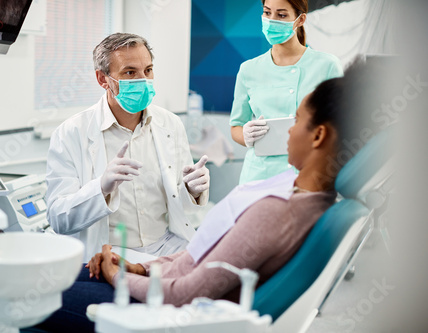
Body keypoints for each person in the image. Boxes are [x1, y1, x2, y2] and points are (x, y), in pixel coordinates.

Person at [31, 60, 381, 333]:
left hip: (161, 313)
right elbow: (195, 261)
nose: (288, 130)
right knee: (57, 274)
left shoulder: (278, 211)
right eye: (130, 72)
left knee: (25, 296)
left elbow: (184, 294)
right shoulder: (302, 197)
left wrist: (115, 274)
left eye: (297, 120)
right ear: (103, 78)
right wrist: (133, 264)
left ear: (319, 135)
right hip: (156, 275)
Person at [45, 33, 210, 261]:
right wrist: (101, 189)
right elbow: (58, 219)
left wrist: (191, 191)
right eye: (130, 72)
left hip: (167, 248)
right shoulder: (71, 133)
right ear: (103, 80)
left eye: (148, 70)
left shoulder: (170, 124)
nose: (143, 80)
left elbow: (182, 208)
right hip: (111, 256)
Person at [230, 0, 343, 184]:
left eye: (281, 15)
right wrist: (245, 135)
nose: (271, 20)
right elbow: (236, 126)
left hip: (309, 175)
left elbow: (341, 126)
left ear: (300, 20)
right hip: (259, 178)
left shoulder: (327, 66)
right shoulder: (248, 70)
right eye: (267, 13)